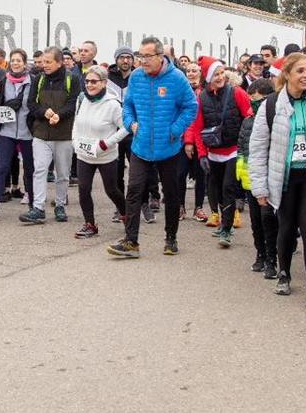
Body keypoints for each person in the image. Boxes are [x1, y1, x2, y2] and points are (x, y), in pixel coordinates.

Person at [247, 53, 306, 308]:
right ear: (287, 74)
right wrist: (260, 187)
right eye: (300, 71)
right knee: (286, 229)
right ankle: (284, 273)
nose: (305, 76)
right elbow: (257, 148)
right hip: (283, 179)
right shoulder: (270, 105)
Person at [107, 36, 199, 257]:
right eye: (141, 56)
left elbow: (191, 107)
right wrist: (130, 123)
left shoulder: (177, 78)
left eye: (147, 56)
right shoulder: (137, 77)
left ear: (160, 57)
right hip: (140, 146)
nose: (143, 60)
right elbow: (127, 106)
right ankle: (131, 242)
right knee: (134, 192)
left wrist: (175, 130)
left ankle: (170, 238)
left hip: (168, 148)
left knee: (171, 193)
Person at [184, 56, 252, 248]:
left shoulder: (236, 92)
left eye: (222, 73)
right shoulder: (201, 98)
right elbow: (197, 127)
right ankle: (224, 221)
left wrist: (245, 144)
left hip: (233, 150)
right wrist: (202, 154)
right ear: (207, 76)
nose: (220, 77)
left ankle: (227, 228)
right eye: (216, 74)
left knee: (228, 188)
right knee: (215, 191)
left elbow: (249, 115)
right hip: (213, 152)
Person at [71, 64, 129, 237]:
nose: (89, 85)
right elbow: (76, 122)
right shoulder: (82, 99)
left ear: (104, 83)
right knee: (83, 189)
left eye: (94, 82)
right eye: (87, 81)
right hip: (84, 154)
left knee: (111, 190)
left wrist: (106, 143)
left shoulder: (112, 104)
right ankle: (90, 224)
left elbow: (126, 127)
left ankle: (128, 216)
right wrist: (75, 141)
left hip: (106, 155)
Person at [23, 46, 79, 224]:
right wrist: (44, 112)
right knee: (39, 170)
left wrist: (59, 115)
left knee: (62, 174)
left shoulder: (72, 79)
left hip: (64, 135)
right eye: (43, 62)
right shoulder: (38, 79)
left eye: (48, 62)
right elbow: (31, 103)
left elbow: (73, 103)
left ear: (59, 62)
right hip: (41, 133)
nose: (44, 65)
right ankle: (38, 208)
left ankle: (60, 205)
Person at [0, 49, 34, 220]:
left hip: (27, 132)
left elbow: (35, 105)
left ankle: (33, 205)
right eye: (13, 60)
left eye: (18, 60)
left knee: (29, 169)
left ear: (24, 62)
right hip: (7, 131)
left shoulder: (32, 81)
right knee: (2, 168)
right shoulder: (5, 80)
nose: (15, 63)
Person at [237, 79, 275, 272]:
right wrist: (241, 172)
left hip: (270, 176)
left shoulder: (276, 119)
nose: (253, 104)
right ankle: (260, 253)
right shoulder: (248, 120)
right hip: (251, 177)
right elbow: (242, 147)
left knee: (268, 219)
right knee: (256, 221)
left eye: (257, 100)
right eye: (251, 100)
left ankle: (272, 257)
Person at [177, 64, 208, 222]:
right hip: (182, 140)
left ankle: (198, 207)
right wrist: (187, 141)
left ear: (200, 73)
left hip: (200, 140)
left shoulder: (204, 91)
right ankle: (180, 206)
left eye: (194, 70)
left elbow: (199, 118)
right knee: (180, 174)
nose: (190, 73)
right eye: (188, 71)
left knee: (200, 176)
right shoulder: (181, 90)